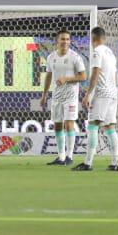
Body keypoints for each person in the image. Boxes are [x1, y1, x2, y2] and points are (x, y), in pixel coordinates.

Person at [75, 26, 118, 172]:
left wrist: (89, 94)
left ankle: (88, 163)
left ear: (93, 38)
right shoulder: (111, 53)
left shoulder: (96, 52)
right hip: (113, 92)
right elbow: (115, 75)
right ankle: (115, 163)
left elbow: (95, 72)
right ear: (104, 38)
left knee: (93, 126)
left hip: (101, 93)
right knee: (110, 128)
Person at [40, 29, 87, 166]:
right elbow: (48, 76)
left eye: (67, 39)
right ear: (57, 41)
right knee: (58, 125)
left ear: (70, 41)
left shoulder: (75, 57)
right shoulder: (51, 57)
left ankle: (70, 156)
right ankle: (60, 157)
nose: (65, 42)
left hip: (71, 96)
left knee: (69, 124)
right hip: (57, 96)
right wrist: (44, 95)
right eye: (63, 39)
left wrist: (66, 79)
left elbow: (83, 76)